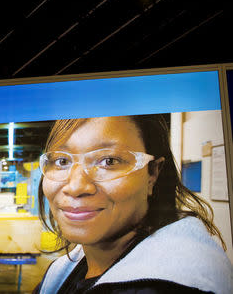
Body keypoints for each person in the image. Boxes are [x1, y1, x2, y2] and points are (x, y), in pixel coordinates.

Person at [34, 114, 231, 294]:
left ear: (153, 173)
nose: (76, 187)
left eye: (109, 161)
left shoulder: (170, 286)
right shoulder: (70, 268)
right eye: (61, 161)